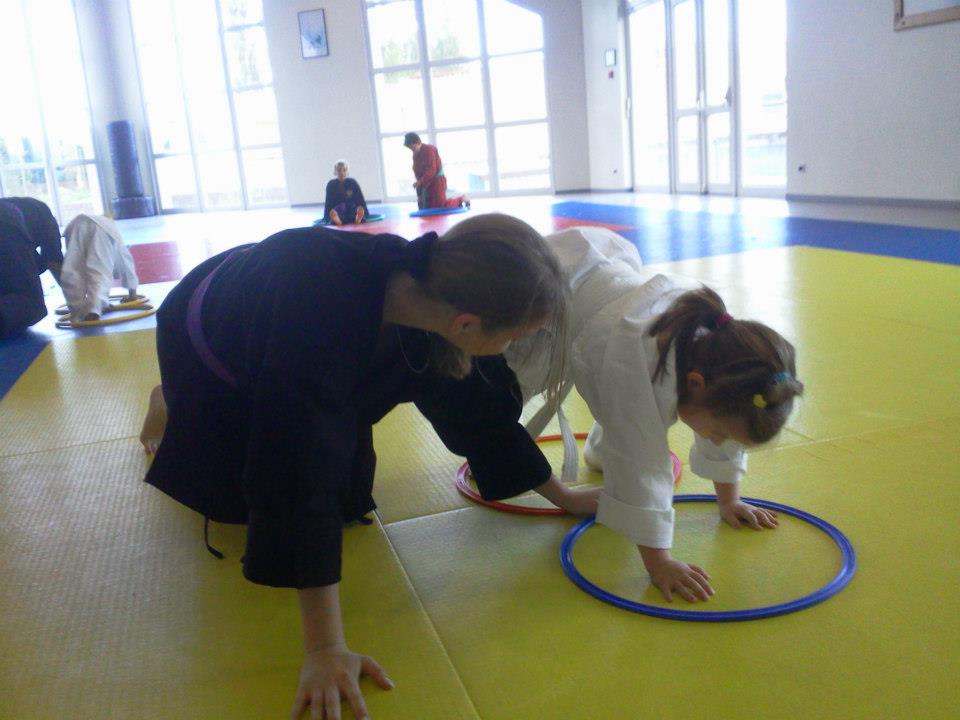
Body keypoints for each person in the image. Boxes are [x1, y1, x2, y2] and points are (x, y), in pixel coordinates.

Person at [138, 213, 596, 719]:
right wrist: (323, 649)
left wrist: (562, 495)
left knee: (351, 497)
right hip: (211, 333)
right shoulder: (317, 325)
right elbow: (298, 469)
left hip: (280, 296)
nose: (512, 349)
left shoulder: (433, 288)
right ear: (466, 324)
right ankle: (168, 401)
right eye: (514, 337)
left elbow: (479, 413)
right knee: (248, 501)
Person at [504, 226, 804, 604]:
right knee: (498, 399)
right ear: (694, 384)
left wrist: (729, 500)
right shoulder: (640, 363)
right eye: (717, 432)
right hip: (542, 294)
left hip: (604, 297)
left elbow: (722, 428)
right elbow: (640, 463)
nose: (716, 439)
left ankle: (600, 446)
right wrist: (659, 562)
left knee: (632, 405)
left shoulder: (720, 359)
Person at [0, 196, 63, 339]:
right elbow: (54, 262)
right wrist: (77, 303)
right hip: (5, 223)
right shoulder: (44, 217)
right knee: (31, 305)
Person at [60, 213, 139, 322]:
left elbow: (74, 272)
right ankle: (94, 310)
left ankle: (78, 309)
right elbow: (125, 260)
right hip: (97, 229)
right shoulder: (109, 227)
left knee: (73, 271)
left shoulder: (107, 226)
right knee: (99, 271)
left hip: (74, 226)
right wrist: (132, 293)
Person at [403, 132, 468, 210]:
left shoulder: (429, 150)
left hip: (437, 182)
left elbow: (432, 170)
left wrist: (420, 182)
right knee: (427, 207)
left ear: (417, 142)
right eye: (410, 149)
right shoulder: (415, 155)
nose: (412, 150)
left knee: (440, 206)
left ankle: (462, 199)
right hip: (426, 183)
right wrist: (418, 185)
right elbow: (416, 171)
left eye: (413, 148)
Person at [322, 160, 368, 226]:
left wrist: (365, 212)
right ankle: (337, 220)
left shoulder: (352, 182)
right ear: (335, 172)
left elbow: (360, 198)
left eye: (344, 170)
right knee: (337, 210)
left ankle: (357, 219)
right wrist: (327, 216)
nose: (342, 172)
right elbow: (328, 201)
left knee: (355, 210)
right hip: (338, 209)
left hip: (351, 207)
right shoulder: (331, 184)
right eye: (339, 170)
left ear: (347, 172)